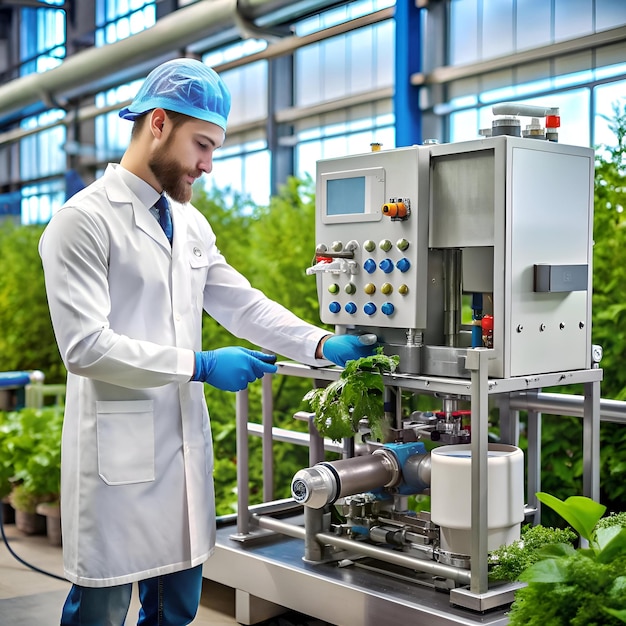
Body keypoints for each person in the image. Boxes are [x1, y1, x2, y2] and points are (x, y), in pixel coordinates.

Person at [38, 58, 376, 626]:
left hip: (181, 452)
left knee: (178, 610)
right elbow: (85, 347)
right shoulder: (83, 221)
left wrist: (319, 345)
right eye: (202, 145)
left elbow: (239, 303)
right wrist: (197, 364)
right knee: (101, 608)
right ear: (160, 123)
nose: (209, 165)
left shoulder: (189, 223)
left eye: (215, 149)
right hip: (116, 459)